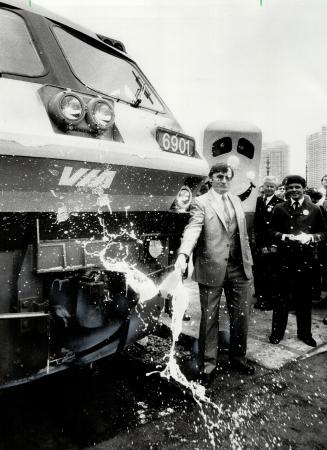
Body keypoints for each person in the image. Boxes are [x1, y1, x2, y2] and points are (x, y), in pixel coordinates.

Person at [175, 163, 255, 386]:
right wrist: (183, 254)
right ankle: (208, 367)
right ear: (211, 178)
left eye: (228, 177)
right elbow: (192, 229)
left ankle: (238, 358)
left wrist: (248, 263)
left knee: (241, 316)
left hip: (239, 268)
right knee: (210, 319)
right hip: (212, 267)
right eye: (219, 176)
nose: (224, 181)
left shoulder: (236, 200)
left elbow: (242, 235)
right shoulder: (201, 202)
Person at [268, 175, 327, 347]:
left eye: (297, 187)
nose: (293, 190)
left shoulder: (315, 209)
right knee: (281, 299)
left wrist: (311, 237)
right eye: (290, 187)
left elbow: (324, 233)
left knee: (304, 299)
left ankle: (305, 334)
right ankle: (277, 333)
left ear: (304, 188)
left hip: (306, 261)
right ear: (286, 190)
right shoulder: (279, 208)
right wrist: (283, 236)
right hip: (284, 260)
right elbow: (270, 231)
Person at [253, 175, 283, 310]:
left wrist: (273, 245)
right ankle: (260, 298)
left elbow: (279, 227)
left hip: (272, 245)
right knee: (258, 273)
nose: (269, 188)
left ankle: (269, 300)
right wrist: (260, 245)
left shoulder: (280, 203)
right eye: (267, 186)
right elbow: (256, 225)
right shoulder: (256, 201)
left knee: (270, 274)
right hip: (259, 244)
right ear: (263, 187)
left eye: (272, 186)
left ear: (276, 188)